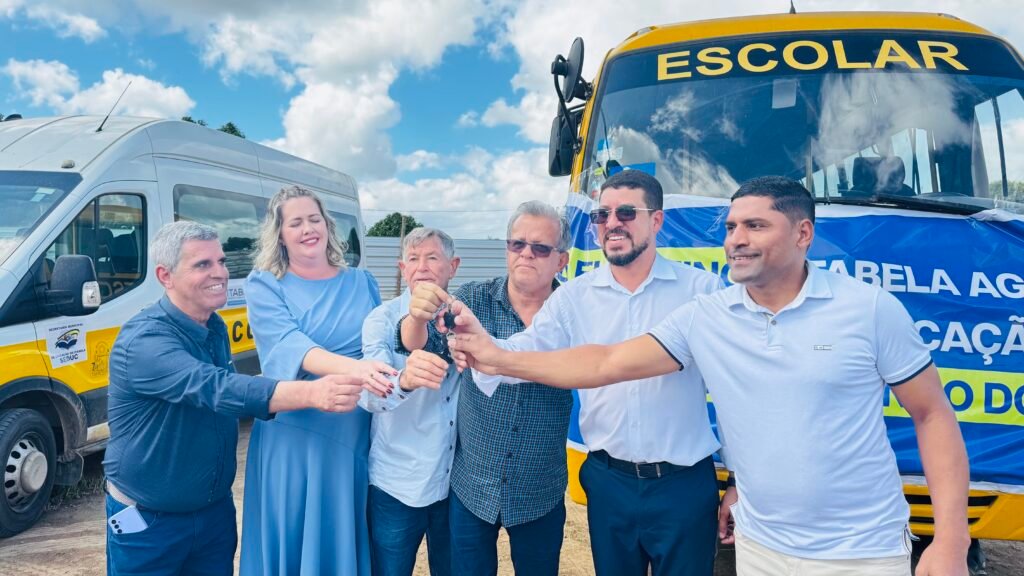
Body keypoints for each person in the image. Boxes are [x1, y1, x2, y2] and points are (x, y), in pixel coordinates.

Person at [450, 176, 970, 576]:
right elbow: (603, 363)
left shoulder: (851, 307)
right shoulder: (697, 313)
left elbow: (927, 413)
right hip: (725, 531)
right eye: (730, 228)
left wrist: (952, 538)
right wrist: (491, 354)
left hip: (847, 543)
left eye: (756, 226)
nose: (737, 240)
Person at [467, 170, 723, 576]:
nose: (612, 224)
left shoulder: (702, 292)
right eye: (602, 215)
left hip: (684, 486)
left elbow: (736, 392)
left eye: (626, 212)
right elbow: (524, 351)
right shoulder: (573, 297)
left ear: (656, 221)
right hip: (608, 483)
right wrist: (480, 345)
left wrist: (740, 481)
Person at [104, 221, 375, 576]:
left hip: (212, 514)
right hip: (149, 521)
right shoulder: (145, 340)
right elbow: (216, 388)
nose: (220, 273)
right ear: (165, 276)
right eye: (202, 264)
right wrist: (311, 391)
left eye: (220, 261)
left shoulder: (213, 327)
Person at [400, 201, 573, 576]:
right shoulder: (472, 300)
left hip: (539, 489)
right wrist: (415, 316)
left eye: (540, 248)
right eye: (517, 244)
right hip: (473, 487)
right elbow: (420, 343)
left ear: (561, 260)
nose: (526, 253)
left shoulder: (575, 311)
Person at [239, 185, 401, 576]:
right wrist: (357, 369)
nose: (307, 228)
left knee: (340, 523)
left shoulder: (362, 282)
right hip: (292, 431)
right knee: (293, 529)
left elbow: (381, 344)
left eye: (314, 219)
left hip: (350, 428)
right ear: (280, 234)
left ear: (327, 226)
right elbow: (290, 346)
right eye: (295, 222)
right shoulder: (264, 284)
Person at [361, 227, 461, 576]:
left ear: (453, 266)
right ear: (402, 269)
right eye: (414, 260)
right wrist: (404, 379)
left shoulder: (464, 318)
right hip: (396, 483)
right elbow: (369, 395)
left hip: (453, 484)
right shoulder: (381, 320)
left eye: (432, 258)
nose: (422, 267)